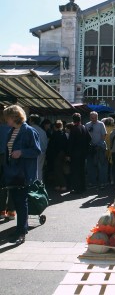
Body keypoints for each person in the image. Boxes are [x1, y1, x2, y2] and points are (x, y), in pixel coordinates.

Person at [3, 105, 41, 245]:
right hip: (12, 172)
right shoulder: (11, 131)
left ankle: (22, 232)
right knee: (16, 202)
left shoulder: (29, 131)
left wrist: (21, 152)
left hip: (23, 173)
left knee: (21, 203)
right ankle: (19, 229)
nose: (6, 120)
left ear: (14, 117)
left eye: (7, 117)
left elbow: (37, 151)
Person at [66, 113, 91, 194]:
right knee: (82, 170)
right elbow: (89, 139)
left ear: (73, 120)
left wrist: (68, 154)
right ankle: (83, 187)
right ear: (80, 119)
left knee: (75, 171)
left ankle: (76, 188)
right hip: (83, 153)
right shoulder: (84, 127)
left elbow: (70, 143)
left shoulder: (73, 129)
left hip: (75, 153)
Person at [0, 108, 15, 221]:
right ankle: (11, 211)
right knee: (12, 185)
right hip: (10, 159)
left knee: (1, 186)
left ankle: (2, 211)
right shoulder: (12, 129)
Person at [85, 111, 107, 189]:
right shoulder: (87, 125)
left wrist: (99, 144)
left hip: (100, 148)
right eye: (92, 118)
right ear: (90, 117)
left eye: (95, 118)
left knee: (101, 165)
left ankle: (102, 183)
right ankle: (92, 182)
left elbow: (104, 135)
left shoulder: (101, 124)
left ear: (97, 117)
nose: (93, 119)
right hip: (91, 148)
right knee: (90, 166)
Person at [47, 120, 68, 191]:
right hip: (63, 153)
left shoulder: (54, 134)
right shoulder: (63, 133)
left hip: (56, 154)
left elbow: (51, 146)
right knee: (61, 169)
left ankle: (62, 185)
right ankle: (59, 185)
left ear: (55, 126)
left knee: (57, 170)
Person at [28, 114, 48, 182]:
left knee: (30, 170)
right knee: (39, 170)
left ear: (32, 121)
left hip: (31, 153)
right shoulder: (42, 131)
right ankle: (39, 185)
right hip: (42, 152)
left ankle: (31, 186)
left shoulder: (28, 129)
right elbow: (45, 144)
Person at [102, 117, 115, 184]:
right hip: (113, 150)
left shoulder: (104, 129)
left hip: (105, 150)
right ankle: (112, 179)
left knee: (104, 165)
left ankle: (105, 179)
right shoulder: (114, 129)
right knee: (112, 167)